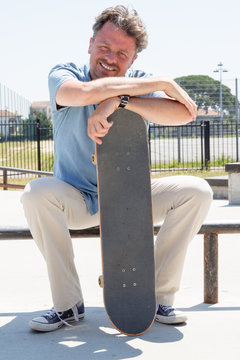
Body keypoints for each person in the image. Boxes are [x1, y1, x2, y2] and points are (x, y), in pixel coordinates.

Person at [21, 5, 212, 332]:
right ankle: (68, 305)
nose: (110, 58)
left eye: (122, 53)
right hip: (79, 200)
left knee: (197, 191)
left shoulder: (137, 82)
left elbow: (184, 113)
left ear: (133, 60)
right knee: (35, 194)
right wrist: (162, 82)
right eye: (105, 48)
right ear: (91, 43)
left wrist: (120, 101)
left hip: (131, 200)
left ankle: (156, 297)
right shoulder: (65, 73)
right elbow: (78, 94)